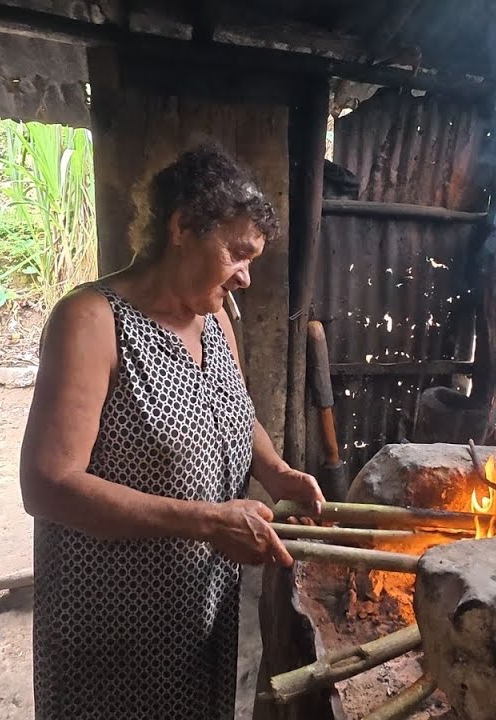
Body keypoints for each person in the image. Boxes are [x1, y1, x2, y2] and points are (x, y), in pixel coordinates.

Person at [19, 141, 325, 720]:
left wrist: (277, 472)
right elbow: (47, 485)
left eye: (253, 259)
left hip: (197, 606)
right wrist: (209, 521)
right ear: (182, 227)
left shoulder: (214, 323)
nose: (246, 278)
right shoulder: (91, 320)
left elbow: (233, 411)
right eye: (238, 253)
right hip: (112, 616)